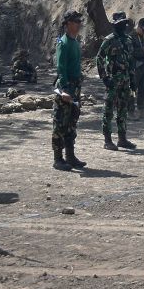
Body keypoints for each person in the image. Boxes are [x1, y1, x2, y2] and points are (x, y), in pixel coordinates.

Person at [97, 11, 137, 151]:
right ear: (115, 25)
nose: (123, 26)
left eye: (124, 23)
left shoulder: (129, 40)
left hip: (125, 81)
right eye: (120, 23)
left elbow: (131, 61)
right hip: (113, 80)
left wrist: (132, 79)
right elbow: (99, 58)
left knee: (123, 110)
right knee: (108, 110)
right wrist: (104, 77)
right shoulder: (109, 40)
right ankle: (107, 140)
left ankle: (122, 138)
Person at [52, 11, 85, 171]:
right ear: (68, 24)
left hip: (75, 87)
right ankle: (58, 159)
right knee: (60, 123)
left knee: (71, 123)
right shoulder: (63, 42)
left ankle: (70, 157)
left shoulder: (74, 42)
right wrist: (64, 89)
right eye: (76, 21)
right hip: (66, 88)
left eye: (79, 21)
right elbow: (60, 67)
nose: (79, 24)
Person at [129, 18, 144, 120]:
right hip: (134, 67)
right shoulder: (131, 37)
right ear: (138, 27)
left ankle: (141, 110)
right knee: (132, 90)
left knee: (143, 88)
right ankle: (130, 111)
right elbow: (130, 52)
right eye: (143, 30)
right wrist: (142, 51)